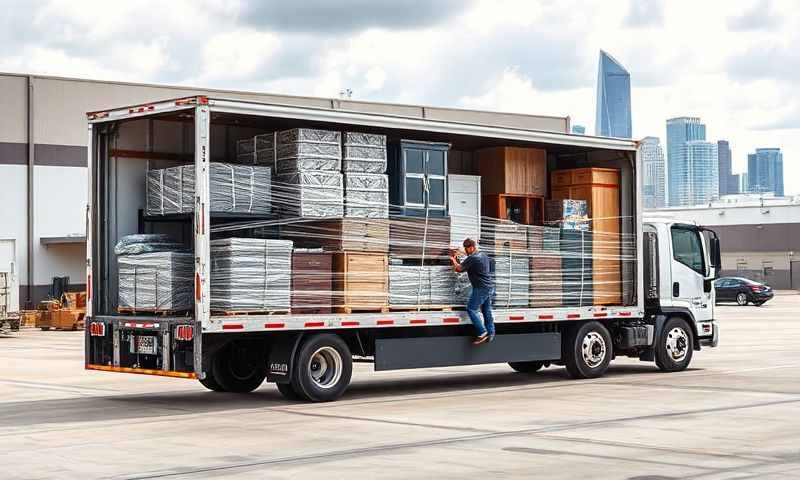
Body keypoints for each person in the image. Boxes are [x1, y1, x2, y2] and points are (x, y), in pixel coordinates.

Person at [449, 238, 495, 345]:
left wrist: (453, 259)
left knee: (471, 309)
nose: (466, 250)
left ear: (472, 247)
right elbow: (468, 257)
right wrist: (459, 252)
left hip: (481, 288)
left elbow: (459, 269)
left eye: (467, 248)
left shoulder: (473, 258)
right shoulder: (482, 255)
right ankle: (491, 332)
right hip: (489, 287)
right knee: (486, 311)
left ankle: (482, 332)